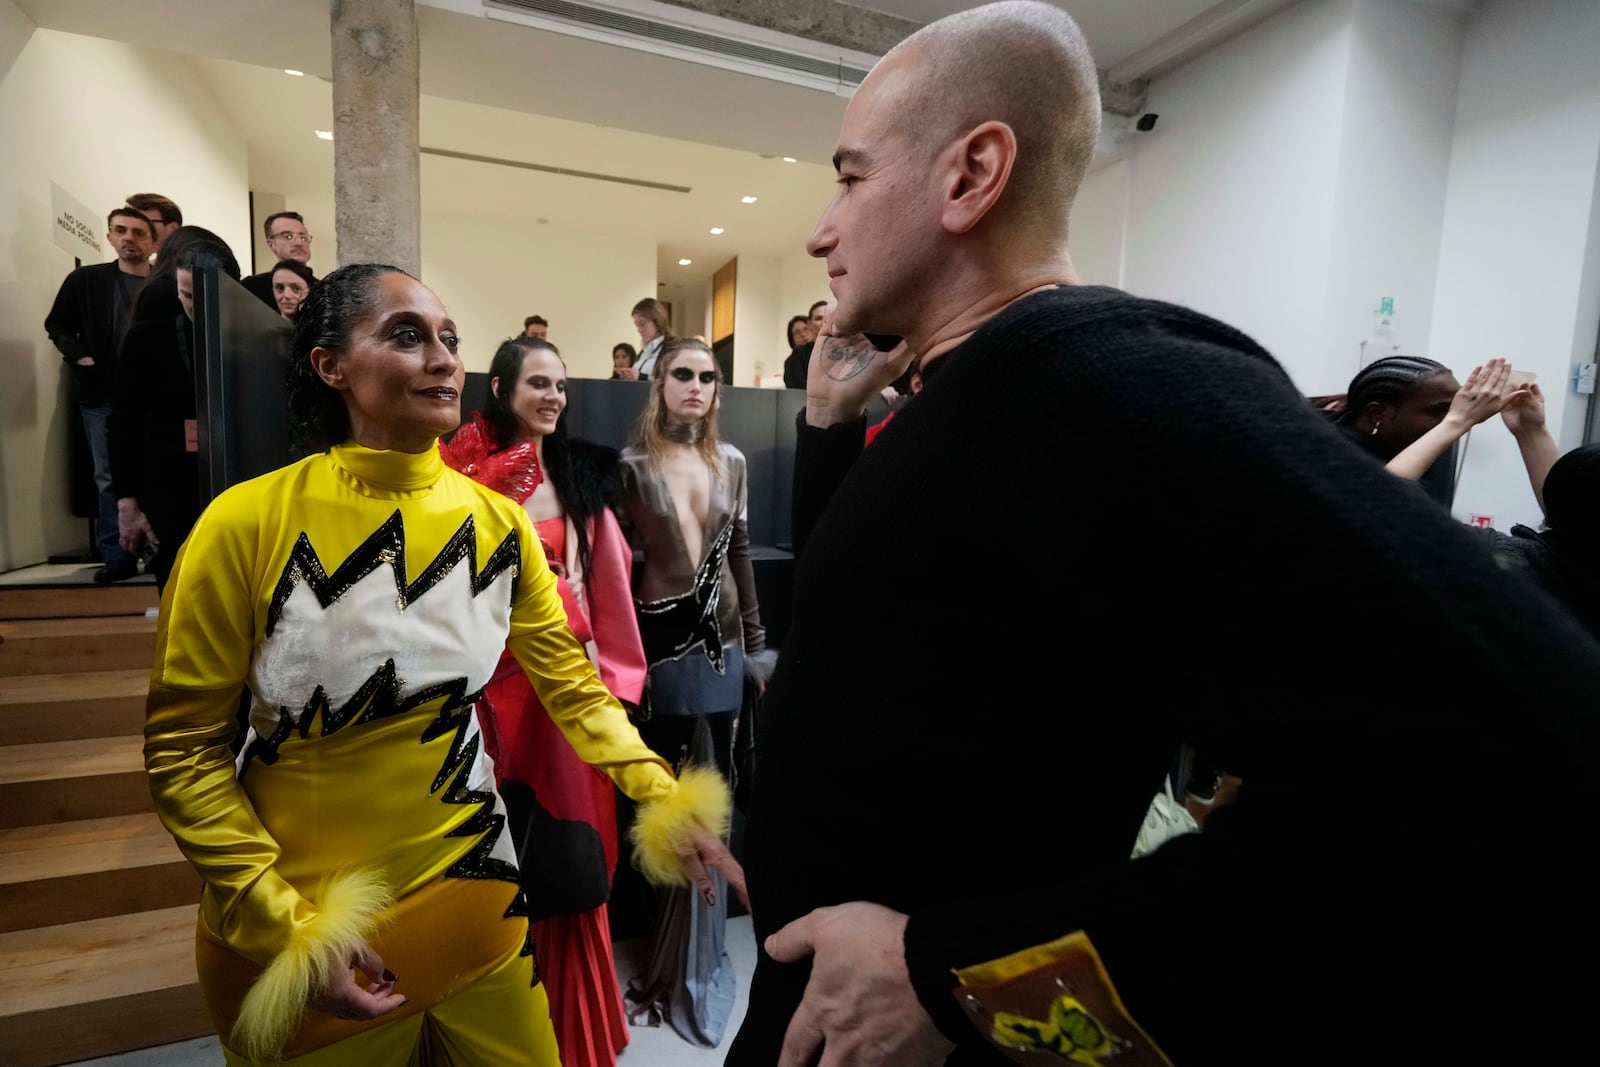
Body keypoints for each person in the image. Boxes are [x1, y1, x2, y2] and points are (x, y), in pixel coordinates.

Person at [725, 4, 1600, 1066]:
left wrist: (957, 970)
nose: (822, 228)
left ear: (971, 174)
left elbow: (1524, 751)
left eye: (851, 178)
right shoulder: (977, 397)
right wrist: (827, 431)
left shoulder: (1089, 376)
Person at [143, 263, 745, 1066]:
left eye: (450, 339)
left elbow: (572, 686)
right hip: (305, 933)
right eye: (406, 335)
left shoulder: (499, 525)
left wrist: (663, 793)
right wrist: (282, 923)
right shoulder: (244, 523)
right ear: (331, 366)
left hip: (475, 895)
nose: (443, 358)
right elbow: (184, 751)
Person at [440, 335, 645, 1067]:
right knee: (484, 856)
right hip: (479, 696)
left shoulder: (580, 479)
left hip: (560, 696)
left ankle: (573, 1030)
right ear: (499, 387)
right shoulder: (457, 472)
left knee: (564, 857)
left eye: (560, 384)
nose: (553, 396)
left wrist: (612, 690)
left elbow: (613, 593)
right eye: (537, 383)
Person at [614, 338, 773, 1048]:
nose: (697, 386)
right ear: (658, 382)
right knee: (665, 793)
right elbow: (612, 570)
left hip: (727, 645)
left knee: (719, 782)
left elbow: (739, 552)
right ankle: (661, 952)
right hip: (658, 644)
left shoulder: (730, 462)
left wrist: (759, 644)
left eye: (709, 377)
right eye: (683, 373)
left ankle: (702, 954)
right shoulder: (629, 466)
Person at [111, 240, 241, 589]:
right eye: (186, 295)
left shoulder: (251, 338)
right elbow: (124, 422)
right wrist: (127, 501)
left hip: (240, 484)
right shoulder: (147, 339)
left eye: (203, 295)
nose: (195, 306)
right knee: (177, 589)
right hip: (169, 486)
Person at [44, 206, 156, 583]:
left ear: (153, 242)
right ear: (109, 236)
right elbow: (57, 324)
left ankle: (156, 550)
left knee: (154, 469)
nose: (129, 238)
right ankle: (118, 555)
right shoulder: (86, 281)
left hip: (152, 393)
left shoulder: (163, 285)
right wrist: (81, 358)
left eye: (139, 232)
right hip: (103, 390)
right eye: (121, 230)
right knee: (108, 474)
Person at [242, 212, 318, 309]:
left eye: (303, 237)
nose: (299, 242)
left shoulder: (324, 289)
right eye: (288, 236)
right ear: (271, 244)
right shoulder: (251, 288)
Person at [782, 301, 830, 389]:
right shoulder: (798, 357)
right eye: (797, 333)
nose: (803, 335)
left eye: (805, 330)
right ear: (810, 324)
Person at [622, 298, 671, 380]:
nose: (639, 330)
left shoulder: (672, 348)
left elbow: (672, 382)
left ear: (657, 320)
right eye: (636, 325)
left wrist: (640, 377)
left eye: (642, 324)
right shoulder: (645, 351)